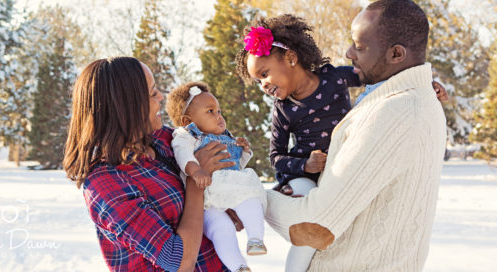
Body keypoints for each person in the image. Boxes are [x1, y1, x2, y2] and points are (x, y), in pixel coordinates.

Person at [235, 14, 447, 272]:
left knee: (312, 226)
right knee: (304, 242)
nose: (263, 86)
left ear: (291, 58)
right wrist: (304, 166)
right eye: (258, 81)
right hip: (305, 175)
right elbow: (276, 156)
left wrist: (425, 83)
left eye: (265, 74)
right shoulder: (283, 109)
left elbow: (378, 79)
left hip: (335, 172)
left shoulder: (333, 79)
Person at [63, 57, 232, 272]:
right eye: (152, 94)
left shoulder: (166, 141)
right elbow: (179, 262)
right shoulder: (105, 182)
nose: (161, 97)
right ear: (126, 106)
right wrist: (196, 180)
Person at [166, 82, 267, 272]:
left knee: (250, 200)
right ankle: (238, 266)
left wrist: (244, 152)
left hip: (229, 191)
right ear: (187, 121)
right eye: (210, 111)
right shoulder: (185, 136)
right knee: (222, 229)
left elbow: (232, 167)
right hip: (206, 201)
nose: (219, 116)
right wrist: (196, 171)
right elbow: (182, 155)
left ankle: (256, 239)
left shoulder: (226, 137)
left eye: (219, 111)